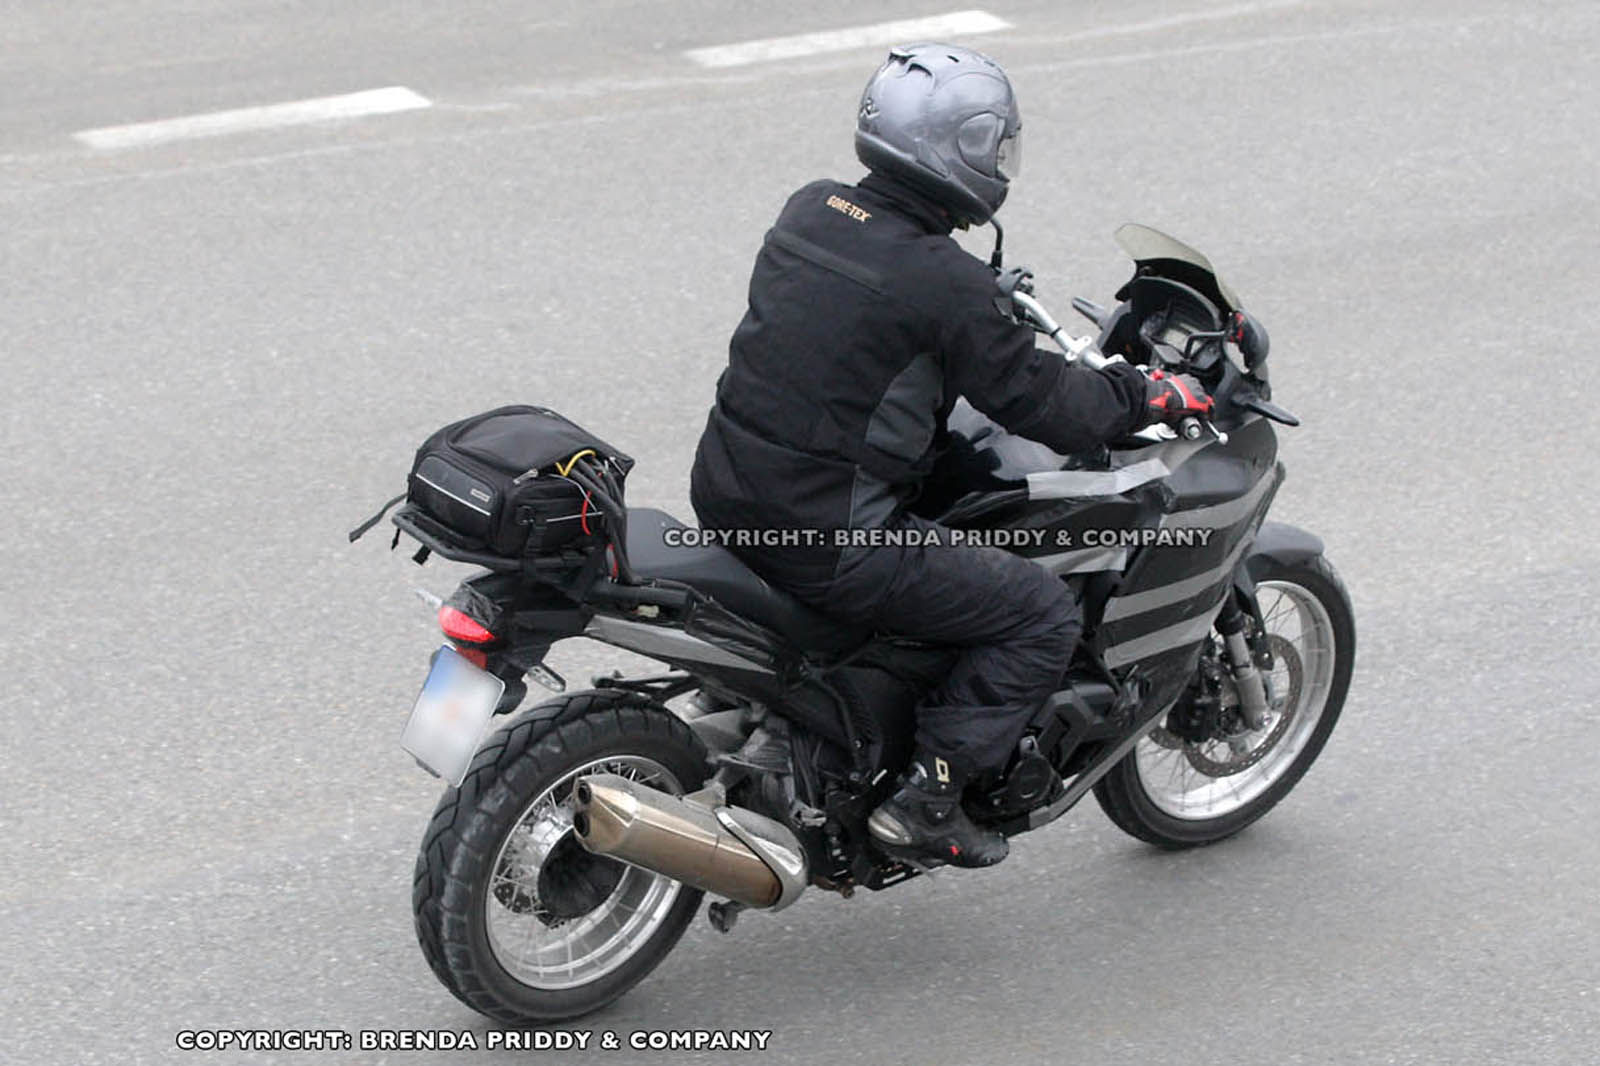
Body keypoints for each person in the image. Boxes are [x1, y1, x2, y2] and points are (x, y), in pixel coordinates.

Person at [689, 43, 1213, 868]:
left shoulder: (811, 209)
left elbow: (854, 330)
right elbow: (1050, 405)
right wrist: (1148, 397)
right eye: (996, 146)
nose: (1002, 163)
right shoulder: (944, 282)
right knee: (1039, 614)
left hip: (727, 493)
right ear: (960, 149)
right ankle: (927, 799)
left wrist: (978, 317)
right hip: (830, 538)